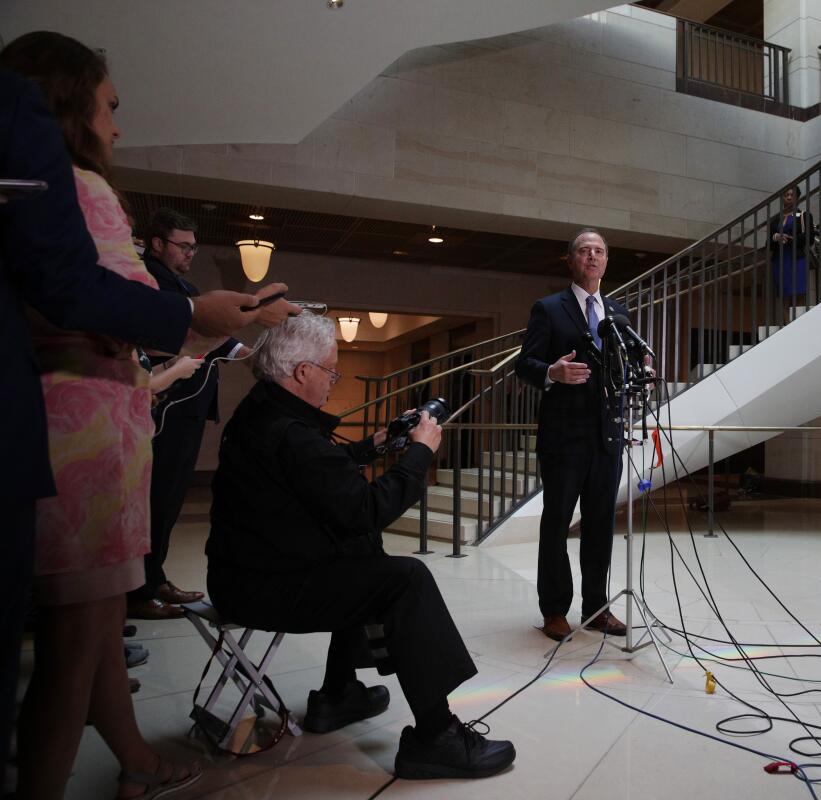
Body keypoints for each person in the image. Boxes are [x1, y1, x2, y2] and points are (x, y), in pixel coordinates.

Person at [2, 31, 297, 798]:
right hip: (87, 432)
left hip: (59, 422)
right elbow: (109, 300)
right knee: (71, 652)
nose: (118, 125)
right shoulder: (80, 188)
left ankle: (133, 761)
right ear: (70, 103)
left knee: (94, 633)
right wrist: (206, 316)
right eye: (110, 106)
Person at [206, 312, 515, 780]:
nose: (334, 380)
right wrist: (420, 454)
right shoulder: (290, 434)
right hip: (261, 588)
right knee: (403, 579)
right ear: (302, 372)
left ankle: (339, 693)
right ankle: (435, 735)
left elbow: (315, 471)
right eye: (330, 371)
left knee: (360, 555)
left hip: (243, 572)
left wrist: (372, 445)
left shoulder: (262, 412)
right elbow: (367, 509)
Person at [127, 207, 246, 621]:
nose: (191, 253)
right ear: (157, 243)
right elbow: (184, 326)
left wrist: (246, 352)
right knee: (155, 496)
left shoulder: (183, 283)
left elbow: (212, 331)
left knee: (170, 498)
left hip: (188, 405)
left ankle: (154, 575)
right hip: (164, 403)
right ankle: (138, 588)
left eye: (195, 247)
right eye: (184, 246)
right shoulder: (149, 278)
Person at [515, 229, 629, 642]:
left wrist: (641, 374)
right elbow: (523, 362)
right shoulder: (548, 309)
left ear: (606, 261)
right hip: (563, 439)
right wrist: (552, 372)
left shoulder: (619, 312)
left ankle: (597, 609)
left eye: (599, 251)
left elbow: (621, 368)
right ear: (571, 260)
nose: (592, 257)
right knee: (557, 524)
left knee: (599, 525)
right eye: (585, 251)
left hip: (607, 438)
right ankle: (554, 611)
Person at [768, 186, 813, 302]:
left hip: (797, 258)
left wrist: (790, 238)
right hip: (780, 259)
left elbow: (810, 238)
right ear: (782, 198)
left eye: (792, 195)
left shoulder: (804, 216)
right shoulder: (774, 220)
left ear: (797, 198)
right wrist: (775, 237)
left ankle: (800, 318)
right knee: (784, 294)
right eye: (786, 195)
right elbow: (768, 244)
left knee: (799, 291)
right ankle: (787, 320)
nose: (788, 197)